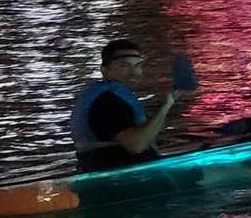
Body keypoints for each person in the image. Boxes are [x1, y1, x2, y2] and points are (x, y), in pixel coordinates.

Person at [70, 39, 183, 171]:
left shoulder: (113, 96)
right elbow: (137, 145)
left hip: (122, 172)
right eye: (124, 66)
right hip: (120, 177)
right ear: (105, 70)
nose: (134, 72)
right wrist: (166, 105)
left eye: (138, 65)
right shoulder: (107, 102)